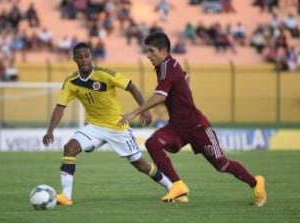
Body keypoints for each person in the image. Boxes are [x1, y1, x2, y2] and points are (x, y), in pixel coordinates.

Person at [117, 32, 267, 207]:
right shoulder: (168, 66)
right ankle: (178, 185)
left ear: (164, 51)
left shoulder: (168, 67)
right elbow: (185, 77)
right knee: (152, 143)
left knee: (222, 165)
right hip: (177, 127)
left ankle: (256, 183)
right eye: (147, 51)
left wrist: (134, 113)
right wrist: (182, 94)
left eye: (151, 51)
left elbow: (160, 97)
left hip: (197, 127)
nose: (148, 56)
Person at [42, 42, 175, 206]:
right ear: (74, 59)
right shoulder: (71, 82)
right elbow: (60, 107)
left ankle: (171, 186)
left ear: (91, 56)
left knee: (141, 165)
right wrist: (50, 131)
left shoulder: (105, 74)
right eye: (80, 57)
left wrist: (143, 110)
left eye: (87, 56)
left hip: (117, 126)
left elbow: (131, 86)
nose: (84, 60)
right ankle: (66, 196)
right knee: (69, 148)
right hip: (95, 127)